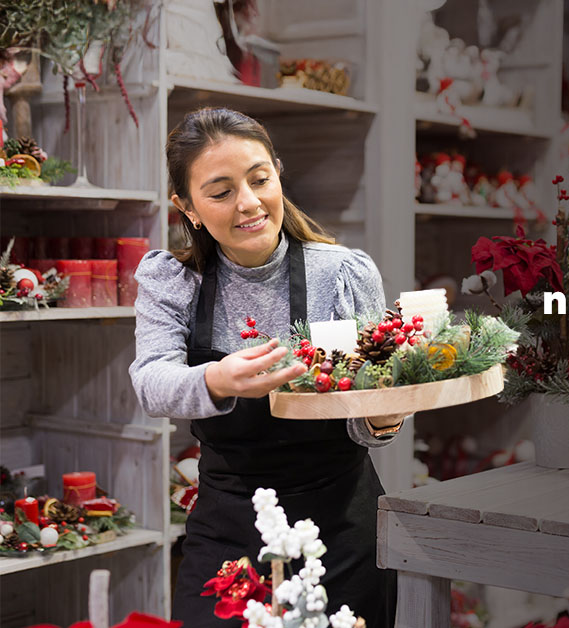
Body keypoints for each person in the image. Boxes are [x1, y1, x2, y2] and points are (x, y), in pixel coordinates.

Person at [130, 107, 397, 627]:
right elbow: (151, 383)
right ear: (187, 207)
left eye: (259, 180)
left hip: (340, 527)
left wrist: (382, 420)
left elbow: (368, 411)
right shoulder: (173, 281)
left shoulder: (342, 273)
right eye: (221, 191)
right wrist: (217, 379)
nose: (249, 203)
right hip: (227, 525)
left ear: (277, 173)